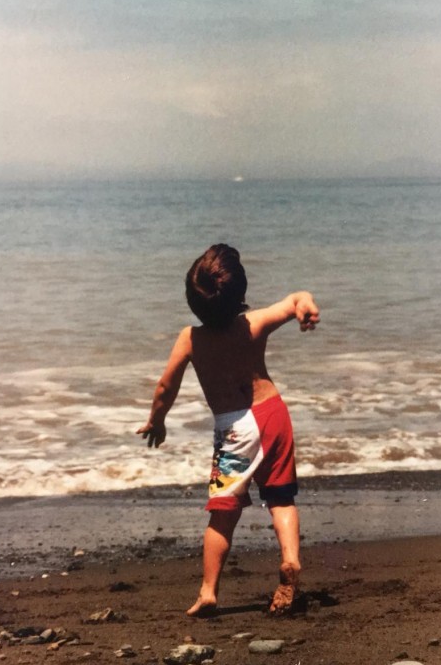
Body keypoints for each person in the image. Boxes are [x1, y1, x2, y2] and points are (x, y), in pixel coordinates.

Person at [136, 244, 320, 616]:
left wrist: (157, 420)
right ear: (240, 294)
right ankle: (290, 559)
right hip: (273, 414)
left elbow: (165, 386)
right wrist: (306, 307)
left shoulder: (190, 338)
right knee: (281, 499)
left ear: (193, 301)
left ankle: (208, 591)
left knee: (222, 513)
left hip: (235, 430)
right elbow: (295, 299)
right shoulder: (253, 324)